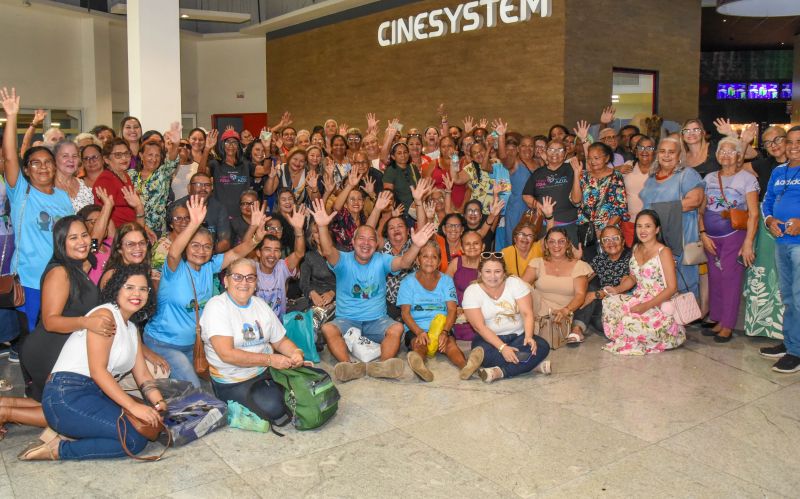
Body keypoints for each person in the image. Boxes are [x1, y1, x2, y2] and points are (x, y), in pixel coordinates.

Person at [23, 265, 166, 461]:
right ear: (116, 289)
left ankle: (74, 434)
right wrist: (134, 407)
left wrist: (159, 404)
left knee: (142, 434)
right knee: (133, 440)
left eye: (143, 289)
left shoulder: (132, 329)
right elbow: (98, 371)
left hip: (96, 394)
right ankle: (58, 449)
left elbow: (143, 375)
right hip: (66, 394)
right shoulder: (105, 316)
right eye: (129, 287)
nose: (137, 294)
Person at [143, 196, 268, 387]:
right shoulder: (174, 269)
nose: (201, 251)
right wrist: (193, 223)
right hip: (163, 343)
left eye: (207, 246)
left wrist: (257, 238)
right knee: (195, 387)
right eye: (195, 245)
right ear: (186, 246)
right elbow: (175, 252)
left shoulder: (210, 266)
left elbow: (235, 253)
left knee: (221, 380)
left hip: (195, 346)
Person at [310, 198, 436, 382]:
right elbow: (328, 251)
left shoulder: (381, 259)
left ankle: (383, 365)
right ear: (353, 241)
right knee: (328, 328)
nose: (366, 243)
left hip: (377, 320)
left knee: (397, 328)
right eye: (361, 238)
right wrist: (322, 227)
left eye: (371, 239)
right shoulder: (343, 260)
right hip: (347, 319)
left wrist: (416, 245)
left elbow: (404, 262)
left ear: (377, 244)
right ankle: (349, 366)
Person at [1, 87, 74, 333]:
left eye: (48, 163)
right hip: (30, 280)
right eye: (36, 163)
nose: (43, 168)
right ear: (27, 170)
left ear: (55, 168)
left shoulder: (64, 197)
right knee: (33, 338)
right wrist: (12, 116)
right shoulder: (21, 191)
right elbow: (11, 157)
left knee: (57, 336)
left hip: (61, 278)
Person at [201, 258, 304, 425]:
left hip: (264, 371)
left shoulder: (260, 304)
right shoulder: (216, 306)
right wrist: (270, 360)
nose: (244, 282)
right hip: (234, 380)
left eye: (250, 277)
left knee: (309, 385)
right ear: (226, 281)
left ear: (256, 283)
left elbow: (280, 341)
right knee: (276, 408)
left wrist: (295, 352)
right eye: (237, 277)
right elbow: (227, 354)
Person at [18, 216, 103, 402]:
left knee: (56, 408)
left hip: (65, 351)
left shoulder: (80, 266)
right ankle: (6, 410)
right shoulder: (60, 272)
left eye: (84, 235)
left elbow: (96, 239)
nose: (81, 241)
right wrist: (87, 323)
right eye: (73, 238)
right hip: (48, 351)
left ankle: (5, 406)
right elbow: (50, 321)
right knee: (68, 410)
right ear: (61, 242)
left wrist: (108, 207)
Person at [698, 137, 759, 342]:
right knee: (714, 278)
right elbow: (701, 210)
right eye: (721, 151)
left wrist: (748, 242)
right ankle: (717, 318)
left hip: (734, 236)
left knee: (730, 280)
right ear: (716, 156)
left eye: (731, 151)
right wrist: (703, 233)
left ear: (739, 156)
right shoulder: (709, 178)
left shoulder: (747, 178)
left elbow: (753, 213)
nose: (725, 154)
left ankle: (728, 324)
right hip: (711, 237)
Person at [601, 210, 684, 355]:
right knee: (609, 302)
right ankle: (625, 336)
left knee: (628, 321)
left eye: (648, 226)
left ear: (657, 229)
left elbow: (672, 288)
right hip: (638, 297)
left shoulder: (664, 252)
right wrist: (617, 289)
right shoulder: (636, 248)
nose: (643, 230)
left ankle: (655, 336)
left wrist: (645, 306)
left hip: (659, 304)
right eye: (639, 226)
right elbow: (634, 278)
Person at [398, 241, 483, 382]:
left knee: (450, 344)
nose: (429, 261)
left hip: (442, 326)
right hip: (417, 327)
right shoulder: (407, 281)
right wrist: (419, 332)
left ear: (439, 262)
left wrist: (444, 332)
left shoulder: (446, 281)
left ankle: (466, 367)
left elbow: (451, 309)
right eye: (425, 256)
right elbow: (405, 313)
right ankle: (420, 366)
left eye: (434, 257)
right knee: (419, 344)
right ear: (418, 260)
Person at [462, 253, 551, 383]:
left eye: (497, 271)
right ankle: (531, 366)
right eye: (488, 271)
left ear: (504, 272)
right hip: (489, 341)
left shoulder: (515, 283)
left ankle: (500, 372)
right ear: (480, 272)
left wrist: (529, 337)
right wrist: (502, 348)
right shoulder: (472, 291)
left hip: (519, 337)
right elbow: (479, 327)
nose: (493, 276)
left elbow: (527, 313)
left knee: (542, 346)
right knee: (485, 354)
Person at [639, 136, 704, 297]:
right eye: (662, 151)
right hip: (655, 237)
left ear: (679, 155)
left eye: (671, 152)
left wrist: (656, 211)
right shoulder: (652, 177)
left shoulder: (687, 174)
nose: (666, 155)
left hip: (681, 235)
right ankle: (662, 320)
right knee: (658, 280)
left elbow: (694, 201)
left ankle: (685, 319)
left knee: (683, 280)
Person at [759, 126, 800, 373]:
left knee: (799, 297)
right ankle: (791, 342)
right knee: (788, 297)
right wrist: (769, 220)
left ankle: (796, 352)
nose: (794, 145)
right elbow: (768, 201)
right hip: (781, 242)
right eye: (791, 141)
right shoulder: (779, 171)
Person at [743, 126, 788, 339]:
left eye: (778, 139)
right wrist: (743, 141)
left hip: (793, 229)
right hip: (766, 228)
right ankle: (765, 327)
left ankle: (788, 331)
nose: (774, 145)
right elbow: (733, 162)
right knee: (763, 276)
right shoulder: (764, 166)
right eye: (768, 143)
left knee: (787, 277)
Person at [522, 227, 593, 345]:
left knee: (548, 338)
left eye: (561, 241)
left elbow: (580, 295)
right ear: (546, 244)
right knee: (519, 285)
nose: (556, 245)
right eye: (552, 241)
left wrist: (566, 310)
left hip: (560, 313)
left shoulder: (580, 266)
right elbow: (520, 288)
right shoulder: (537, 262)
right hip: (537, 308)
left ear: (568, 243)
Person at [576, 142, 628, 261]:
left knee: (609, 265)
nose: (592, 161)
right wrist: (576, 175)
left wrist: (605, 231)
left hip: (608, 234)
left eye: (596, 158)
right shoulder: (583, 176)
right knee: (588, 266)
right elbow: (576, 201)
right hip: (586, 233)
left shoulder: (616, 176)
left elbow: (621, 207)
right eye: (589, 158)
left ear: (607, 158)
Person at [522, 140, 582, 242]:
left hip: (568, 225)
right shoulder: (538, 173)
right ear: (546, 152)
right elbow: (526, 195)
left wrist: (576, 174)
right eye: (551, 150)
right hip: (543, 225)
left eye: (560, 150)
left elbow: (577, 200)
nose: (555, 153)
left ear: (565, 154)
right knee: (543, 256)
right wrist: (540, 207)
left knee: (570, 257)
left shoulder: (572, 169)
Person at [129, 123, 181, 237]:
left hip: (157, 232)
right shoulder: (130, 175)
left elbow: (171, 161)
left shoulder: (163, 174)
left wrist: (176, 144)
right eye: (150, 155)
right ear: (141, 155)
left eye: (157, 155)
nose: (154, 159)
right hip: (133, 228)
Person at [255, 206, 306, 321]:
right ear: (258, 252)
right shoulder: (251, 268)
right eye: (267, 249)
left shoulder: (282, 266)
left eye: (276, 250)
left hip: (279, 326)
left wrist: (298, 230)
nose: (272, 254)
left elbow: (299, 254)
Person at [580, 225, 631, 335]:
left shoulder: (630, 258)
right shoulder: (600, 259)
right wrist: (577, 261)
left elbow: (625, 289)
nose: (611, 242)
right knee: (587, 288)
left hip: (623, 305)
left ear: (623, 241)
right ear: (602, 245)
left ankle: (584, 321)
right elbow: (585, 278)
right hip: (603, 304)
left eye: (615, 238)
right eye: (606, 240)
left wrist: (597, 294)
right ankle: (578, 328)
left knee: (600, 322)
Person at [92, 138, 146, 230]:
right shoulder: (105, 180)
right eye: (118, 155)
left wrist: (145, 228)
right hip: (118, 235)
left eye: (126, 153)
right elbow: (103, 216)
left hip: (132, 229)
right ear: (106, 159)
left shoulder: (124, 175)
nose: (124, 158)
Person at [170, 172, 232, 252]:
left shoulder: (219, 208)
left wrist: (204, 254)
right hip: (180, 254)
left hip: (209, 254)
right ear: (189, 188)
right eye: (198, 185)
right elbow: (170, 237)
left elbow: (225, 242)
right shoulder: (177, 207)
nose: (203, 189)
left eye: (207, 185)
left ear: (212, 188)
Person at [446, 231, 483, 341]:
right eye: (467, 244)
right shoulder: (455, 263)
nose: (472, 247)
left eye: (476, 243)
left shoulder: (489, 263)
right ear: (461, 248)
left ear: (483, 246)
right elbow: (444, 288)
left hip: (480, 311)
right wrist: (453, 307)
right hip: (457, 311)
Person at [211, 129, 252, 219]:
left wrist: (267, 149)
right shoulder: (215, 164)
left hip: (243, 215)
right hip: (221, 215)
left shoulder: (245, 164)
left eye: (234, 142)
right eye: (227, 142)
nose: (231, 145)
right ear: (222, 145)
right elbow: (201, 172)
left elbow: (265, 170)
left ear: (238, 146)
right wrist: (207, 149)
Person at [299, 220, 336, 309]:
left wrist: (332, 292)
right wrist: (311, 293)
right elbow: (303, 283)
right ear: (312, 237)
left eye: (322, 231)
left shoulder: (341, 252)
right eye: (316, 232)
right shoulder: (309, 256)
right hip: (317, 298)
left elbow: (348, 280)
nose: (320, 235)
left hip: (340, 297)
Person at [53, 140, 94, 212]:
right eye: (65, 156)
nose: (71, 160)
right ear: (54, 159)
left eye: (75, 156)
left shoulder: (86, 187)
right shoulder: (47, 187)